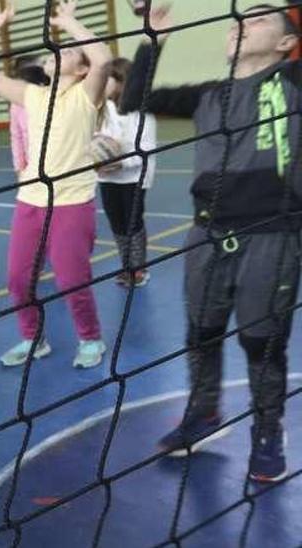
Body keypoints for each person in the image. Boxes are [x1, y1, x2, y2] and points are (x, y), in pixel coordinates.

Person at [121, 3, 302, 483]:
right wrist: (153, 39)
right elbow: (131, 98)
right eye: (237, 20)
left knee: (262, 343)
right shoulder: (207, 95)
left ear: (287, 43)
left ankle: (268, 431)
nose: (242, 23)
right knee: (201, 332)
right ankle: (203, 415)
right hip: (205, 235)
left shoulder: (293, 82)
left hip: (272, 237)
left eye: (260, 19)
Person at [0, 0, 111, 369]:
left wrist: (70, 22)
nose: (57, 53)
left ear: (81, 68)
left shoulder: (87, 95)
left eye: (67, 52)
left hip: (73, 201)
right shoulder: (32, 95)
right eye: (53, 53)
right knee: (18, 280)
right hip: (31, 199)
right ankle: (32, 338)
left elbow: (102, 60)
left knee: (72, 279)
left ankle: (90, 338)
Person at [96, 57, 157, 288]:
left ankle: (139, 268)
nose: (102, 83)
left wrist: (120, 163)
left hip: (133, 177)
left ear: (122, 81)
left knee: (132, 222)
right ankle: (126, 267)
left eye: (107, 79)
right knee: (116, 222)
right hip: (107, 177)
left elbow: (146, 148)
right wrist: (97, 160)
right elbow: (96, 141)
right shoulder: (103, 108)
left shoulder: (141, 111)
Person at [9, 54, 51, 175]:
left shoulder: (51, 95)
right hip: (33, 166)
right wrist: (19, 166)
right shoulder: (16, 103)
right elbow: (17, 136)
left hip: (58, 163)